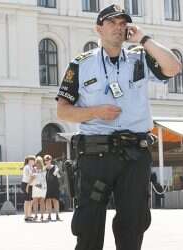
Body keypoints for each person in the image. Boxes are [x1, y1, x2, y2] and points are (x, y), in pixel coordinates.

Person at [56, 4, 182, 250]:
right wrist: (95, 112)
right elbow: (62, 111)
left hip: (134, 155)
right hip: (95, 155)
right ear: (98, 29)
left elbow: (174, 68)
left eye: (123, 23)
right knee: (88, 224)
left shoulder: (140, 58)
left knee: (134, 223)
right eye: (112, 23)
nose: (118, 28)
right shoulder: (81, 65)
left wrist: (144, 39)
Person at [44, 155, 61, 221]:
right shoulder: (44, 168)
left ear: (50, 160)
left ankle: (57, 215)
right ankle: (49, 215)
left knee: (55, 200)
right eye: (45, 160)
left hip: (55, 186)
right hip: (47, 187)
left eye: (48, 160)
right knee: (48, 201)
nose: (47, 161)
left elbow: (59, 176)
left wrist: (56, 172)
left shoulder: (55, 167)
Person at [31, 156, 47, 222]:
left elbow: (42, 178)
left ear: (41, 162)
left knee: (42, 202)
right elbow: (33, 177)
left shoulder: (44, 169)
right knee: (35, 201)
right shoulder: (34, 169)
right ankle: (35, 215)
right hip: (35, 187)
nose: (37, 163)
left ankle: (42, 216)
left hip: (42, 187)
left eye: (39, 162)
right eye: (36, 162)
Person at [21, 155, 35, 222]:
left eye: (34, 160)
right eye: (32, 160)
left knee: (30, 201)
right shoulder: (27, 167)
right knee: (27, 201)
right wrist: (27, 186)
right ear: (29, 161)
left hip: (30, 185)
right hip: (26, 184)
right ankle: (26, 216)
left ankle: (29, 215)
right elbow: (31, 177)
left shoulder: (31, 167)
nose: (33, 161)